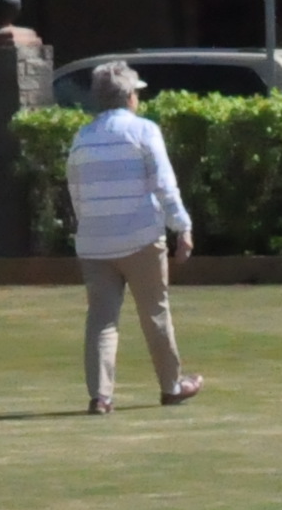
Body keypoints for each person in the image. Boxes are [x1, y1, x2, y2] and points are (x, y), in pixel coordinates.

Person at [65, 63, 204, 413]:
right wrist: (182, 227)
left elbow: (75, 191)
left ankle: (101, 396)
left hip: (95, 243)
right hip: (141, 237)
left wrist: (89, 225)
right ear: (129, 96)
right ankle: (171, 386)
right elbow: (164, 184)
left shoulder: (82, 136)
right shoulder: (144, 130)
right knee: (155, 312)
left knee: (101, 319)